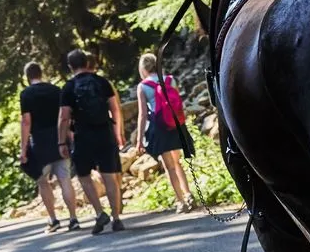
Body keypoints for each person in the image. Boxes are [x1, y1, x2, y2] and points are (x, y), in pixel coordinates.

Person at [59, 49, 126, 234]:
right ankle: (116, 218)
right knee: (109, 176)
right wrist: (117, 132)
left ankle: (99, 212)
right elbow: (115, 109)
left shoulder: (69, 87)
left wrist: (61, 142)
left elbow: (64, 117)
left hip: (83, 136)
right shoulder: (102, 81)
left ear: (71, 66)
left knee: (83, 176)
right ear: (87, 62)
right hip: (104, 133)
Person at [19, 62, 80, 233]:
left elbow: (26, 122)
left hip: (39, 143)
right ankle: (73, 218)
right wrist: (69, 137)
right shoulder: (56, 90)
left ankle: (53, 219)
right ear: (41, 72)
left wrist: (23, 149)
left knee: (43, 182)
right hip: (60, 139)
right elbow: (65, 116)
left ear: (27, 77)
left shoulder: (26, 94)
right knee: (65, 180)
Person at [134, 53, 196, 213]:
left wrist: (139, 139)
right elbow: (178, 104)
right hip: (175, 124)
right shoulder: (170, 79)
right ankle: (188, 194)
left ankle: (180, 201)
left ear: (143, 68)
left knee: (169, 166)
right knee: (177, 162)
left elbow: (142, 115)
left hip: (159, 127)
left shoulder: (143, 86)